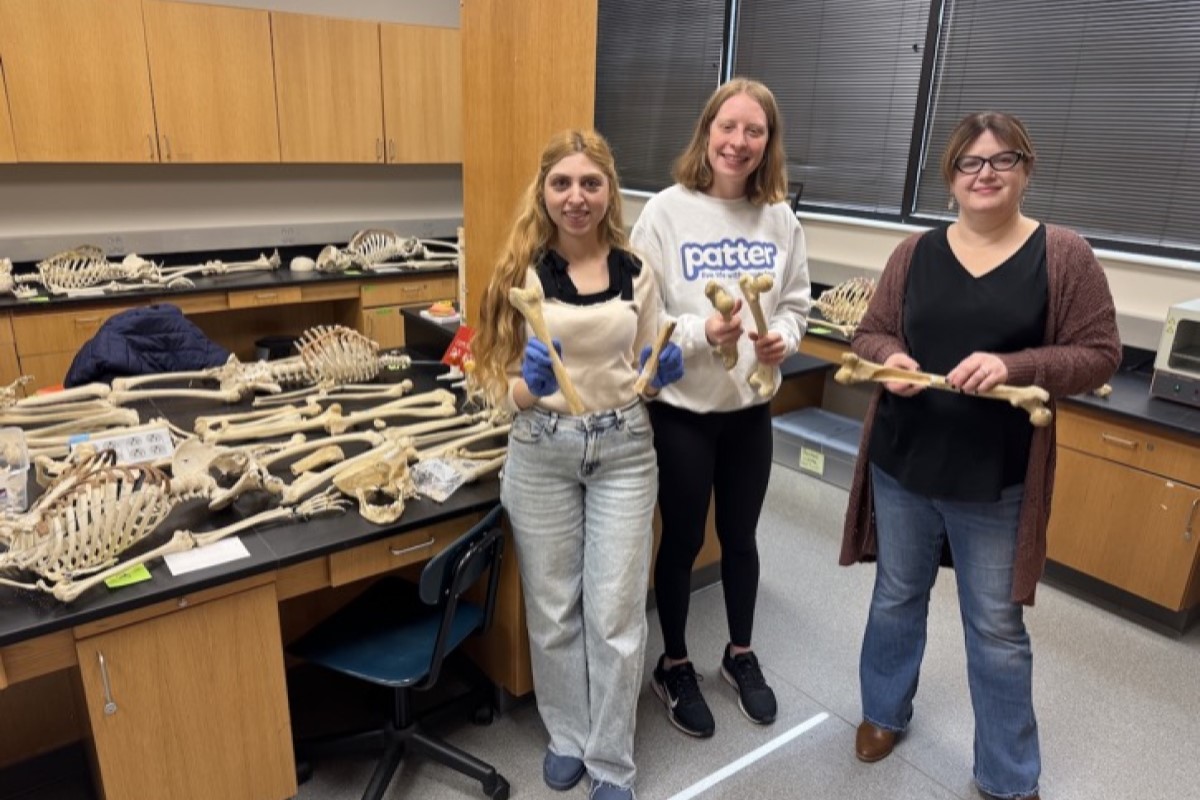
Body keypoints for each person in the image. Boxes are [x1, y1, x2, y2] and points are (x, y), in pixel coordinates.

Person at [840, 112, 1120, 800]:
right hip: (903, 465)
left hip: (995, 482)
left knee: (996, 629)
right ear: (951, 177)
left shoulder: (1063, 255)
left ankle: (1006, 774)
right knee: (896, 597)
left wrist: (1014, 364)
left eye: (1003, 160)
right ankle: (883, 711)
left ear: (1027, 169)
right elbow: (870, 333)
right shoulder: (914, 253)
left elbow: (1099, 354)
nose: (986, 174)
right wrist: (890, 357)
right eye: (971, 162)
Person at [471, 129, 683, 800]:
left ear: (609, 190)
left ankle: (611, 759)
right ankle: (567, 735)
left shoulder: (637, 270)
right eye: (562, 183)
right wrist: (527, 384)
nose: (576, 196)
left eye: (590, 183)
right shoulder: (518, 275)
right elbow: (490, 383)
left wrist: (659, 375)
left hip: (623, 447)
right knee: (554, 606)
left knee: (616, 613)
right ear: (544, 192)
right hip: (542, 447)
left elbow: (646, 366)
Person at [631, 78, 812, 738]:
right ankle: (674, 663)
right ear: (707, 131)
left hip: (749, 410)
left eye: (754, 131)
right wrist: (697, 332)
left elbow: (796, 303)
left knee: (741, 538)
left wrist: (782, 337)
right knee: (679, 541)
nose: (739, 142)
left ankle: (739, 654)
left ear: (768, 143)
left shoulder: (780, 219)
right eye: (728, 127)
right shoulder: (665, 212)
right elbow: (640, 317)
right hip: (683, 410)